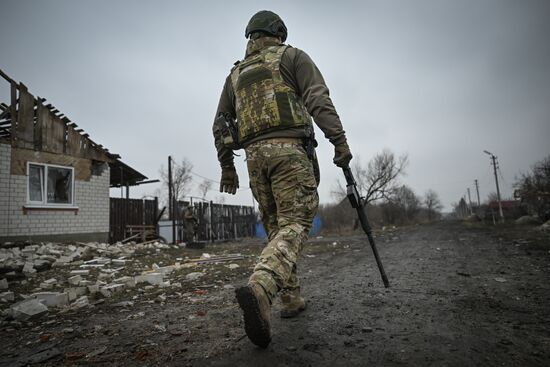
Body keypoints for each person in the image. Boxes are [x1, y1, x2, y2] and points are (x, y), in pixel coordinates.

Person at [212, 10, 352, 348]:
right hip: (289, 153)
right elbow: (318, 99)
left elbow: (220, 123)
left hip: (255, 162)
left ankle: (290, 299)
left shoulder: (235, 75)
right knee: (297, 222)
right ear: (279, 32)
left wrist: (227, 166)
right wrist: (340, 142)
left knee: (276, 229)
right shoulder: (293, 57)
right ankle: (261, 288)